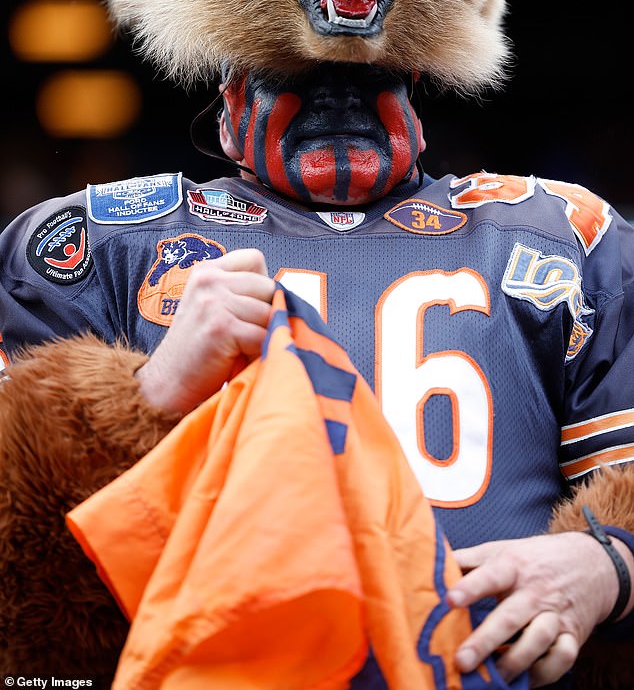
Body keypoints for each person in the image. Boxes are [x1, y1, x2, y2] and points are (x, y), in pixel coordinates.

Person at [2, 59, 634, 689]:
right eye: (299, 74)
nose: (336, 102)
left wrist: (608, 563)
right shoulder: (104, 245)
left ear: (415, 77)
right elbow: (22, 585)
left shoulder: (565, 237)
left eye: (366, 78)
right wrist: (150, 392)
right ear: (228, 84)